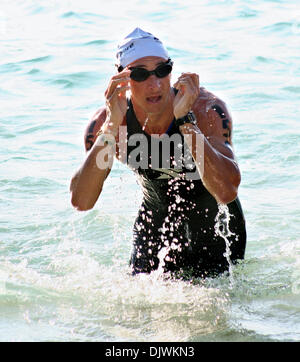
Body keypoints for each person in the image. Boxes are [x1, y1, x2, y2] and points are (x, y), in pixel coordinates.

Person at [70, 27, 246, 278]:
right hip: (153, 232)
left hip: (216, 233)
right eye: (140, 74)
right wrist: (111, 126)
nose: (155, 84)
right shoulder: (108, 124)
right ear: (121, 79)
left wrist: (186, 120)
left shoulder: (206, 111)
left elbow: (227, 190)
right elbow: (81, 201)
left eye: (162, 71)